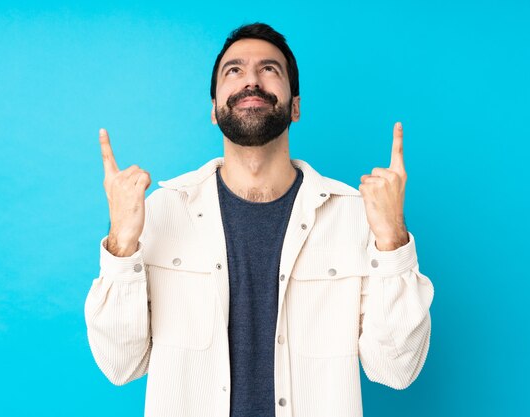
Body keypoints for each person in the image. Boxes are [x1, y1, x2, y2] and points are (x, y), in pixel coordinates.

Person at [85, 22, 434, 417]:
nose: (251, 80)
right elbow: (120, 364)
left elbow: (395, 369)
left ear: (296, 106)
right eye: (234, 70)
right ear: (214, 110)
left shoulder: (355, 216)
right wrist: (121, 244)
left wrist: (391, 240)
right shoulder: (161, 211)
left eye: (269, 69)